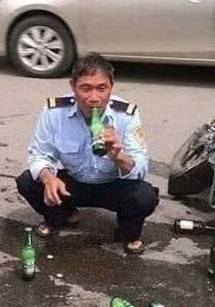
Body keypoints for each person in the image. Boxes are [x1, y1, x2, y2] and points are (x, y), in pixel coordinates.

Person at [15, 53, 159, 255]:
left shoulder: (126, 114)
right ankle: (63, 215)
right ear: (73, 86)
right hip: (74, 182)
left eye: (102, 88)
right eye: (86, 88)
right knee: (28, 181)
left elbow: (141, 168)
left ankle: (128, 232)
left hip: (113, 185)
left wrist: (118, 156)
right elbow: (39, 154)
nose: (94, 98)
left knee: (144, 196)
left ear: (111, 86)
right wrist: (48, 179)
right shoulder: (54, 112)